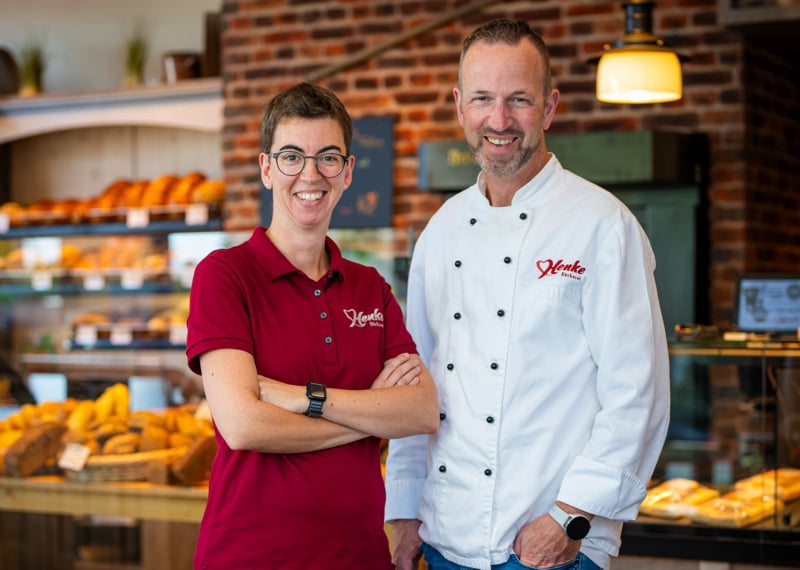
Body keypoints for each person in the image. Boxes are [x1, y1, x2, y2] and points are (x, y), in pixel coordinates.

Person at [384, 18, 670, 570]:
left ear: (549, 107)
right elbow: (412, 382)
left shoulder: (602, 225)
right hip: (446, 536)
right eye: (483, 99)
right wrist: (403, 507)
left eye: (518, 99)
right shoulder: (441, 231)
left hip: (551, 545)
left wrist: (571, 517)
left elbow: (638, 393)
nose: (499, 120)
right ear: (459, 105)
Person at [186, 81, 439, 569]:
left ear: (347, 173)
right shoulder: (223, 276)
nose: (310, 173)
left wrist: (304, 398)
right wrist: (368, 421)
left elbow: (423, 410)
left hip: (360, 555)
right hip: (250, 556)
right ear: (266, 169)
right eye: (291, 156)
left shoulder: (370, 287)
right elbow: (243, 425)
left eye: (328, 157)